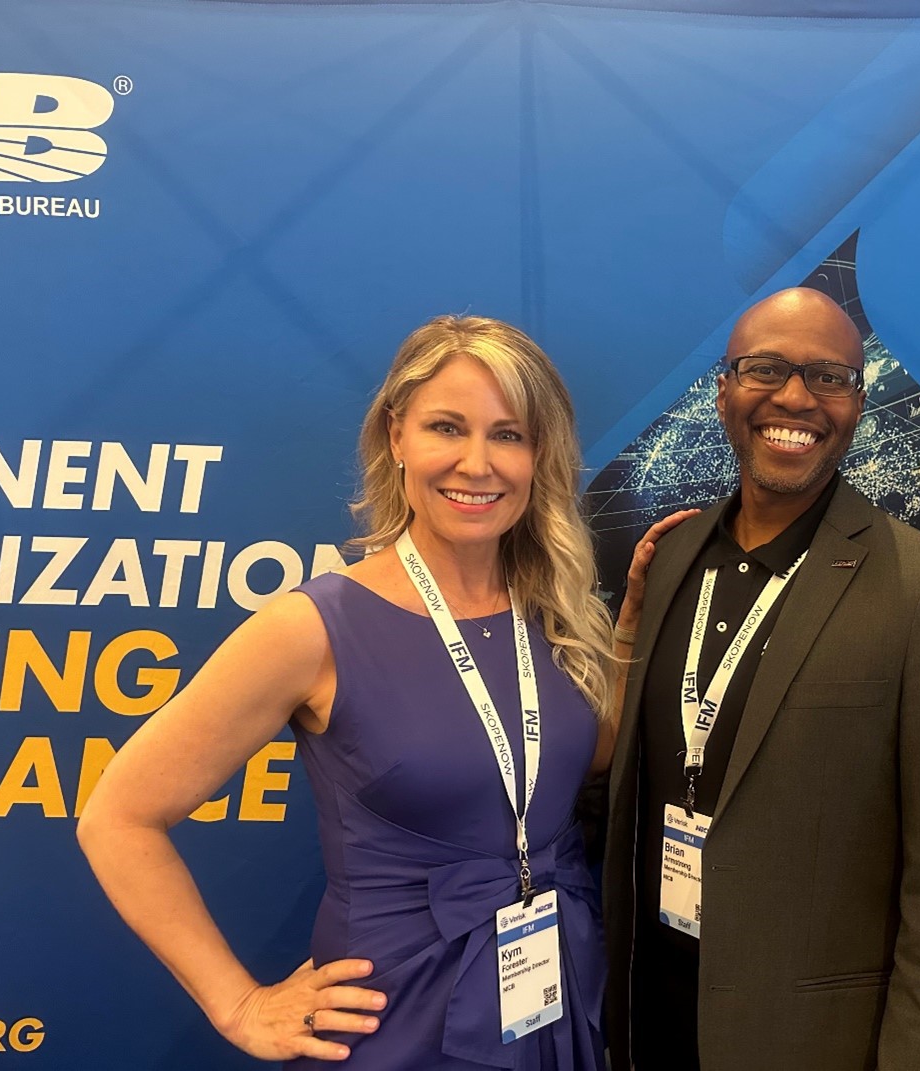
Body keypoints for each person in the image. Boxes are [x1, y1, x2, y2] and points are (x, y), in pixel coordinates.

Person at [78, 316, 617, 1069]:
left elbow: (582, 764)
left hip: (555, 1002)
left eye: (508, 434)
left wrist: (629, 637)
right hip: (398, 1027)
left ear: (540, 454)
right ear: (397, 436)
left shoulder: (556, 609)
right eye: (446, 427)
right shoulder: (314, 626)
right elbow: (118, 815)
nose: (476, 462)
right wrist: (237, 1003)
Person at [602, 287, 920, 1071]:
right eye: (767, 368)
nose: (796, 397)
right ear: (723, 390)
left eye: (829, 376)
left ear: (858, 405)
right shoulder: (671, 562)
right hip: (649, 1018)